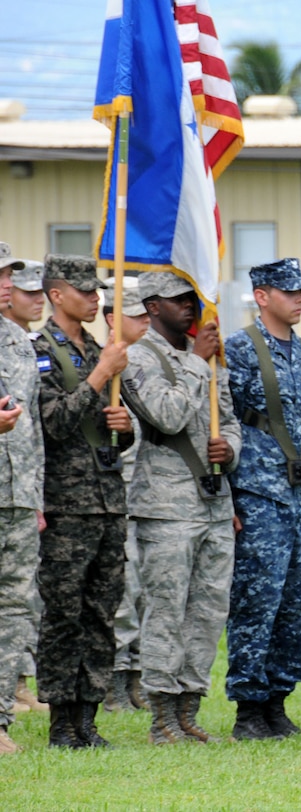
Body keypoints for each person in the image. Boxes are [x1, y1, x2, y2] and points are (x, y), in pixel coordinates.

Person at [120, 271, 240, 745]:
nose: (188, 307)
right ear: (151, 307)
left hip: (212, 502)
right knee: (166, 611)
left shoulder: (205, 359)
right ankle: (161, 715)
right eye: (176, 301)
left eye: (191, 298)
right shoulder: (136, 358)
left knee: (208, 610)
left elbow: (228, 420)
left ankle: (189, 708)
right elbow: (165, 414)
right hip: (166, 504)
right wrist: (198, 364)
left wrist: (229, 450)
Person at [32, 254, 133, 749]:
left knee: (101, 611)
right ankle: (60, 722)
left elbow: (107, 430)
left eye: (97, 292)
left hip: (108, 500)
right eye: (86, 292)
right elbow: (52, 423)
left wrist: (125, 429)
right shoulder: (40, 352)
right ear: (57, 295)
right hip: (66, 503)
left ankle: (88, 719)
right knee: (63, 613)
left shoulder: (98, 349)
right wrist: (99, 378)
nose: (95, 299)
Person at [224, 258, 301, 741]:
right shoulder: (239, 351)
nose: (298, 298)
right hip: (258, 492)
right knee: (256, 602)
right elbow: (224, 421)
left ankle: (278, 702)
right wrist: (229, 497)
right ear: (261, 296)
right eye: (288, 291)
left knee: (299, 606)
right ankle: (248, 709)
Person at [0, 246, 45, 753]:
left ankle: (0, 718)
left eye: (10, 273)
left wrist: (36, 497)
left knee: (14, 607)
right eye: (2, 275)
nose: (8, 282)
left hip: (16, 495)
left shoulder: (16, 340)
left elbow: (29, 425)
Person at [100, 276, 150, 713]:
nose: (147, 323)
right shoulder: (103, 364)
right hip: (116, 488)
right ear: (114, 318)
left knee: (145, 587)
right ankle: (117, 676)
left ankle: (137, 675)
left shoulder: (152, 361)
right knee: (122, 585)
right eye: (138, 316)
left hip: (151, 489)